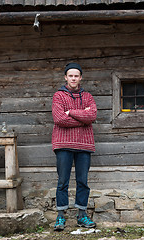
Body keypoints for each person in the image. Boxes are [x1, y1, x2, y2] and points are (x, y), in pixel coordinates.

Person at [52, 63, 97, 231]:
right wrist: (82, 116)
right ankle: (61, 217)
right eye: (70, 75)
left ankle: (82, 215)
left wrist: (70, 112)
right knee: (62, 181)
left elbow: (91, 115)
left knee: (82, 181)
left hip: (84, 145)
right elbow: (59, 119)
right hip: (63, 144)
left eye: (76, 76)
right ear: (65, 77)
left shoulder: (88, 97)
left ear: (80, 78)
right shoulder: (58, 96)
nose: (73, 78)